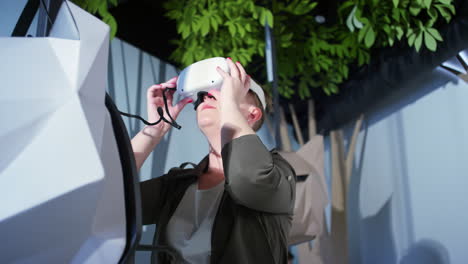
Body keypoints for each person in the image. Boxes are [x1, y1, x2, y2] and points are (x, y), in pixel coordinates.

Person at [131, 57, 296, 264]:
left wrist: (229, 104)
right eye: (204, 95)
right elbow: (115, 203)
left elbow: (248, 179)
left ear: (252, 114)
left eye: (225, 90)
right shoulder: (177, 184)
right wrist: (154, 129)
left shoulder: (278, 173)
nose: (206, 96)